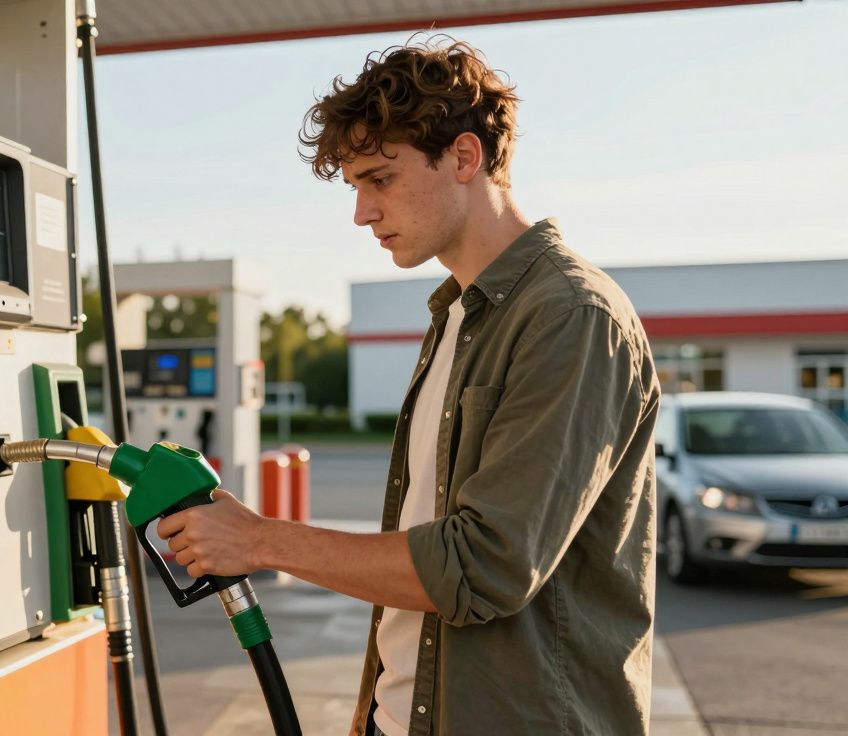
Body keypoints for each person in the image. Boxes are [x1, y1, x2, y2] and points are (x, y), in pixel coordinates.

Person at [155, 36, 660, 736]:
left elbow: (484, 566)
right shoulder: (456, 315)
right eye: (356, 187)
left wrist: (260, 541)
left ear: (464, 157)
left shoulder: (571, 317)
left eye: (380, 180)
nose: (362, 212)